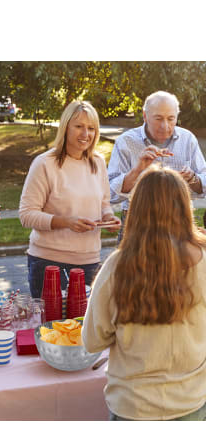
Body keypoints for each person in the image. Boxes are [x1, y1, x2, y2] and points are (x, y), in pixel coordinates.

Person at [82, 165, 206, 421]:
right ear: (185, 208)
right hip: (190, 402)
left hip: (132, 404)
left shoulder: (116, 267)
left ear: (136, 210)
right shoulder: (203, 260)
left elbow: (92, 340)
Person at [19, 100, 120, 298]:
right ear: (66, 127)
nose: (85, 134)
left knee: (85, 327)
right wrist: (67, 222)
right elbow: (26, 215)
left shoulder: (98, 162)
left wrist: (108, 217)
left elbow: (104, 204)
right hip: (48, 263)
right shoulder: (44, 164)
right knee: (50, 327)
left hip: (89, 262)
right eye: (79, 126)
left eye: (91, 128)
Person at [107, 90, 206, 240]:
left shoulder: (187, 139)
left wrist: (192, 178)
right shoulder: (126, 141)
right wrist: (137, 170)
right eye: (158, 118)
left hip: (179, 220)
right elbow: (110, 194)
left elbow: (203, 186)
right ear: (145, 116)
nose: (165, 126)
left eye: (171, 119)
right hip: (138, 222)